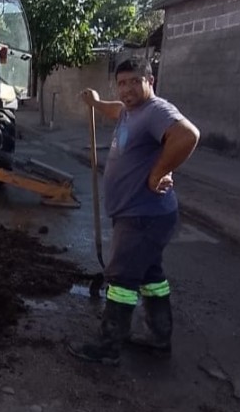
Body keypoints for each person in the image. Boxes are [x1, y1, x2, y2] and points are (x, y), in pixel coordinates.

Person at [68, 57, 201, 365]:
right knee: (151, 275)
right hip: (140, 214)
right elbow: (117, 109)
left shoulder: (156, 111)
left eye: (134, 82)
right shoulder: (131, 111)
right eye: (122, 83)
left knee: (122, 279)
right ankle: (158, 337)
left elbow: (188, 135)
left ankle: (108, 346)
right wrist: (97, 103)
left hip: (143, 215)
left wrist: (158, 173)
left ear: (149, 81)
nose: (126, 89)